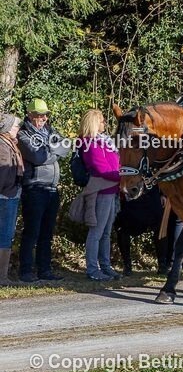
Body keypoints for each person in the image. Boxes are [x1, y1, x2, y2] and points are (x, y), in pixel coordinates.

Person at [16, 98, 71, 282]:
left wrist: (51, 151)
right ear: (30, 115)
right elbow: (38, 157)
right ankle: (25, 270)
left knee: (47, 232)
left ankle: (44, 269)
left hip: (52, 188)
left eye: (45, 115)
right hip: (35, 188)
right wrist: (54, 152)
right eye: (39, 115)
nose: (43, 119)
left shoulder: (50, 131)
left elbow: (66, 146)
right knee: (32, 231)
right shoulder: (23, 135)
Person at [79, 109, 122, 281]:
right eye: (102, 121)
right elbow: (101, 168)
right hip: (101, 191)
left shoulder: (105, 142)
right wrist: (122, 176)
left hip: (112, 190)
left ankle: (105, 265)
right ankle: (92, 268)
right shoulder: (89, 143)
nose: (105, 123)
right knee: (96, 232)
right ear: (94, 123)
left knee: (106, 232)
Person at [0, 114, 23, 285]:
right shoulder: (3, 146)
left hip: (9, 195)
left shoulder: (9, 144)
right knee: (5, 235)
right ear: (7, 128)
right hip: (6, 196)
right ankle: (2, 277)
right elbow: (3, 173)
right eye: (16, 126)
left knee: (6, 235)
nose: (18, 129)